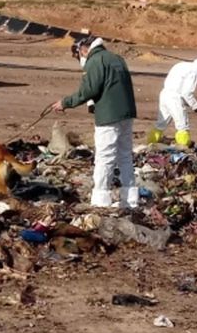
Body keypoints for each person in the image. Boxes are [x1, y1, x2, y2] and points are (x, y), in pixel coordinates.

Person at [48, 35, 138, 210]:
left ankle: (101, 201)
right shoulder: (116, 58)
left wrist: (65, 103)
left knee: (104, 157)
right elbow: (109, 85)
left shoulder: (95, 60)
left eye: (78, 54)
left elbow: (89, 89)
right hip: (126, 113)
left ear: (83, 49)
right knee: (125, 156)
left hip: (109, 115)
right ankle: (130, 201)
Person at [148, 54, 197, 148]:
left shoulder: (183, 65)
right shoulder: (194, 72)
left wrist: (188, 103)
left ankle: (151, 141)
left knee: (161, 122)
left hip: (165, 94)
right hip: (174, 98)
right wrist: (195, 106)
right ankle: (183, 146)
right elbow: (187, 92)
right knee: (182, 125)